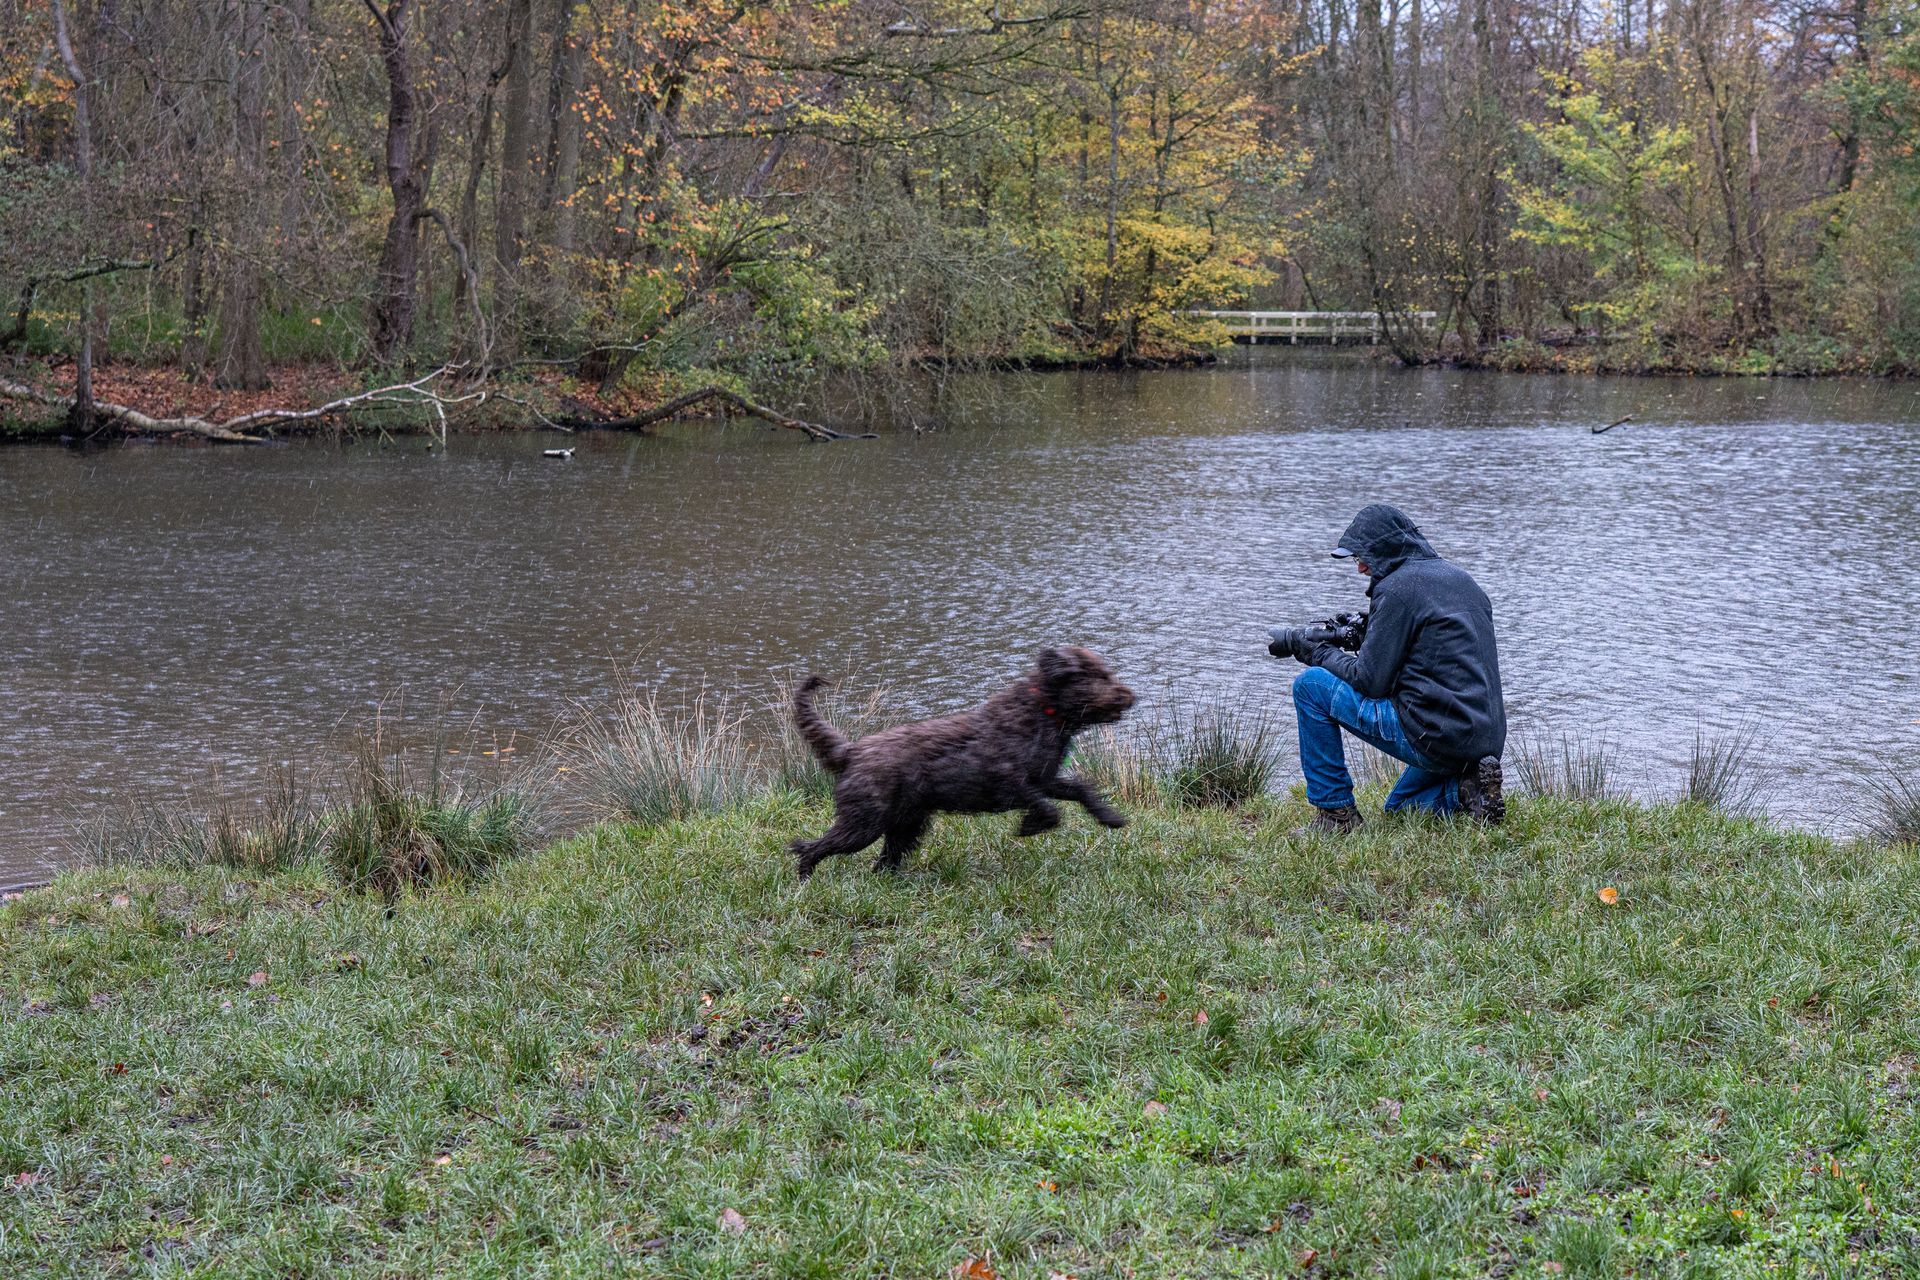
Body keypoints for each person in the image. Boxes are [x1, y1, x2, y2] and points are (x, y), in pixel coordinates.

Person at [1275, 503, 1506, 833]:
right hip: (1484, 740)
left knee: (1311, 686)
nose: (1360, 567)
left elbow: (1370, 682)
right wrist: (1372, 631)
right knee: (1400, 808)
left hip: (1436, 737)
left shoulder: (1397, 589)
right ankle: (1468, 791)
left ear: (1386, 549)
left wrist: (1319, 652)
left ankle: (1336, 816)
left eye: (1362, 556)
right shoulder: (1462, 580)